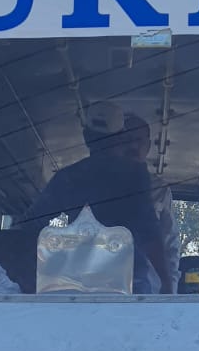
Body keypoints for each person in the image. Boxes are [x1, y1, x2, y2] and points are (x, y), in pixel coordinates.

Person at [20, 101, 167, 291]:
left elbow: (31, 225)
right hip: (129, 283)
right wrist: (167, 283)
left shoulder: (67, 178)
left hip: (79, 285)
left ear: (86, 137)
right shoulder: (135, 175)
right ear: (120, 137)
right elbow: (150, 235)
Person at [121, 113, 181, 293]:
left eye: (138, 140)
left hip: (149, 289)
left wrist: (170, 286)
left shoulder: (160, 189)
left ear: (147, 146)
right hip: (104, 287)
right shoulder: (95, 184)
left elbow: (169, 240)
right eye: (126, 140)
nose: (132, 145)